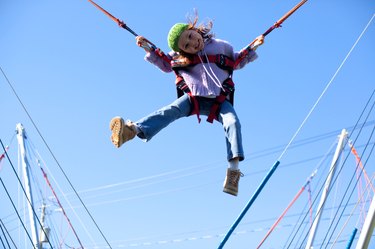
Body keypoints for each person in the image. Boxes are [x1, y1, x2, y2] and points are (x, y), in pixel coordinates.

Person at [110, 14, 264, 196]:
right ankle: (132, 130)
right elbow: (165, 64)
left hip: (219, 100)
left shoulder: (221, 46)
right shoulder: (179, 58)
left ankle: (233, 172)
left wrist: (253, 47)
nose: (193, 44)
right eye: (186, 46)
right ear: (182, 51)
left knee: (232, 122)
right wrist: (148, 48)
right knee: (171, 110)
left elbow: (237, 60)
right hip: (194, 100)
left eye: (191, 36)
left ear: (194, 28)